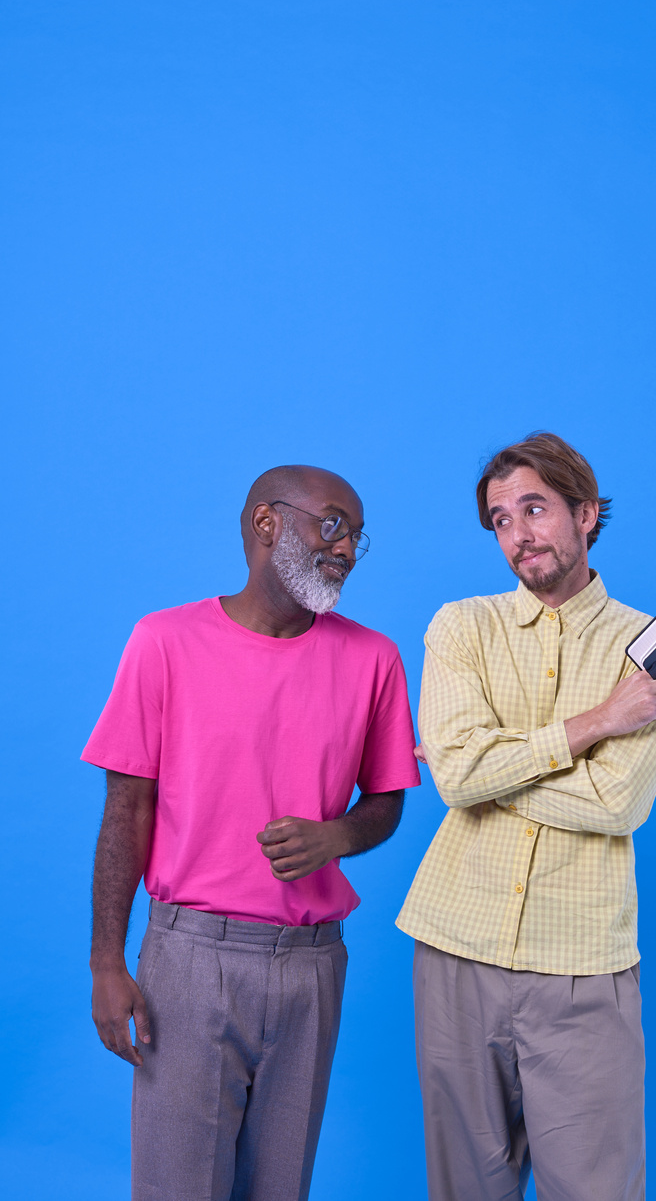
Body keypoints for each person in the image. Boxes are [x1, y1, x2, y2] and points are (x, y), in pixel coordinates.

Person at [83, 464, 420, 1201]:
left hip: (311, 966)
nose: (346, 549)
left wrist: (335, 838)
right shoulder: (163, 641)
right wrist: (107, 960)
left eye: (358, 536)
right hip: (190, 961)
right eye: (332, 524)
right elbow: (126, 809)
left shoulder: (373, 659)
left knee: (279, 1188)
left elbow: (387, 800)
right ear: (266, 523)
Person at [397, 432, 656, 1201]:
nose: (518, 534)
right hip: (456, 950)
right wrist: (593, 724)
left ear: (586, 514)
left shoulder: (652, 647)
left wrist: (481, 769)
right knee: (464, 1189)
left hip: (583, 964)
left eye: (535, 508)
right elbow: (458, 777)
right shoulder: (461, 628)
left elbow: (615, 801)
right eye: (499, 519)